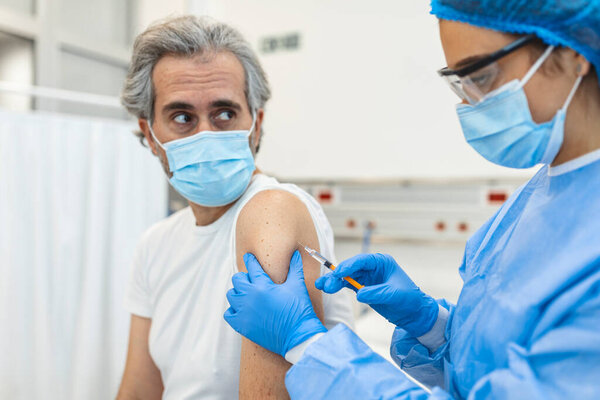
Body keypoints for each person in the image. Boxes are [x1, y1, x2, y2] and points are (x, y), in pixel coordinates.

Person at [224, 1, 600, 398]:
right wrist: (432, 324)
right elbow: (494, 363)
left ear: (571, 53)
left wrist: (306, 344)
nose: (469, 102)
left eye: (482, 76)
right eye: (458, 82)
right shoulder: (541, 194)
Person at [116, 16, 353, 400]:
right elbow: (139, 389)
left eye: (224, 114)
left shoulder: (271, 211)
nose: (206, 134)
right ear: (151, 135)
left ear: (255, 125)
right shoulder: (154, 244)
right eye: (182, 117)